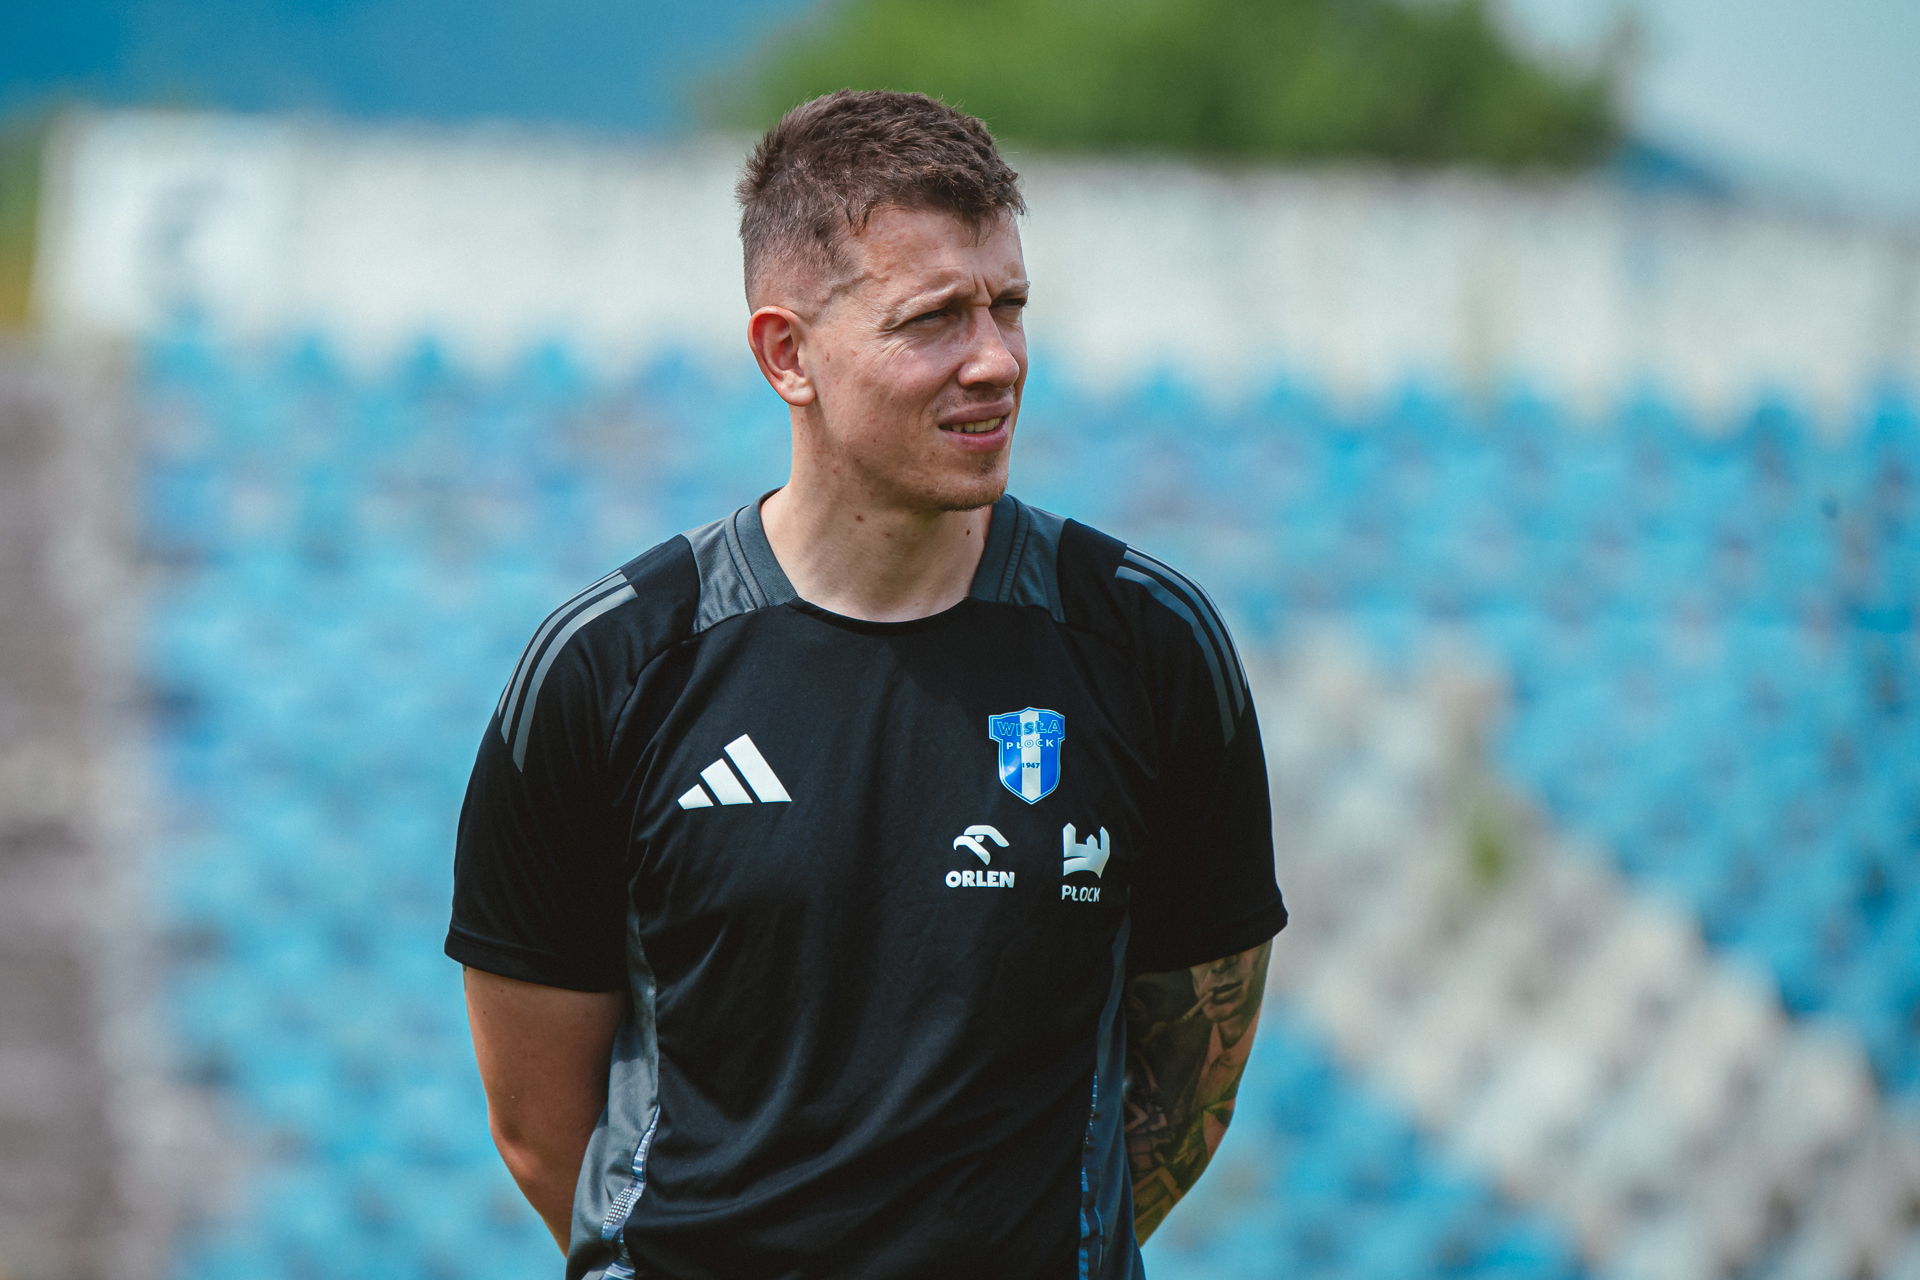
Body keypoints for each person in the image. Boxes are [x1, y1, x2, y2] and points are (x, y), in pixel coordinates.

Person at [447, 89, 1287, 1280]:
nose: (995, 360)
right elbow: (540, 1127)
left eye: (1009, 306)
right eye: (934, 318)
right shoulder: (609, 667)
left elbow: (1191, 1076)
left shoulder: (1150, 647)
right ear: (787, 354)